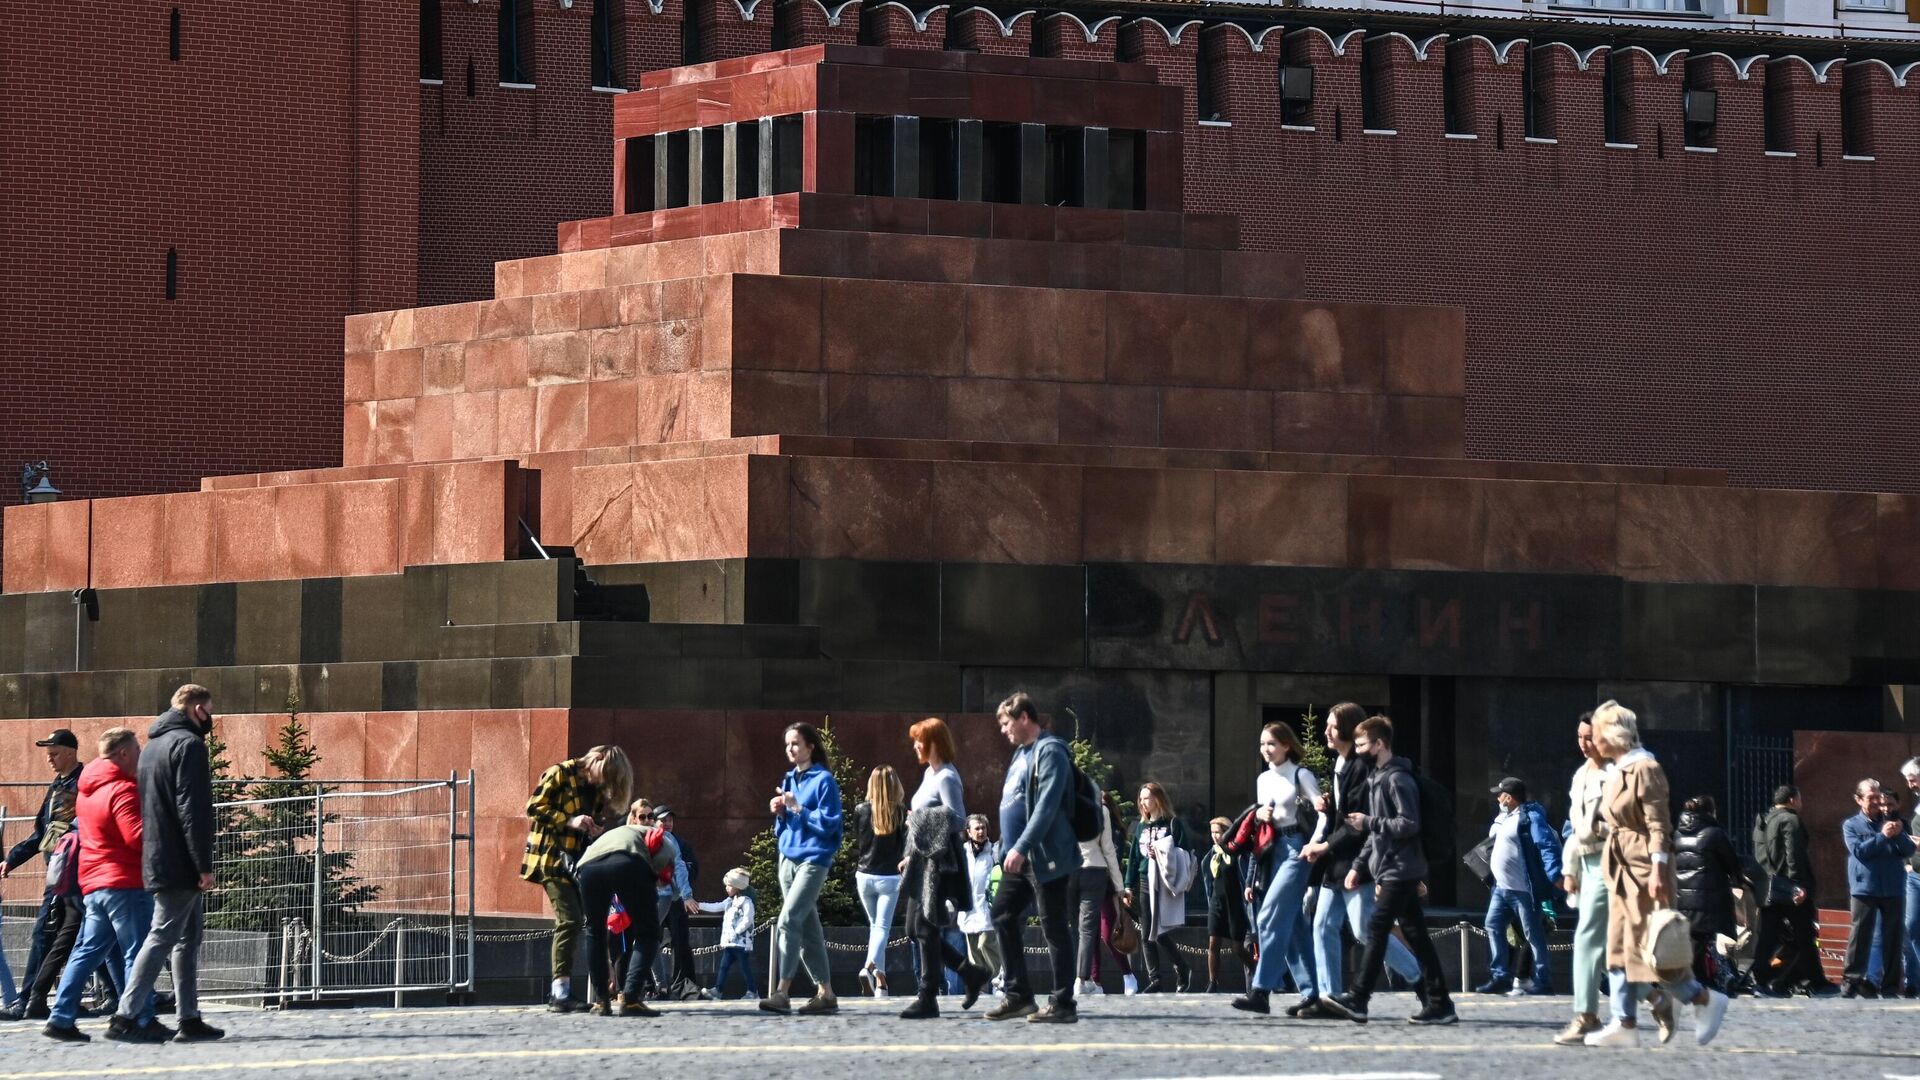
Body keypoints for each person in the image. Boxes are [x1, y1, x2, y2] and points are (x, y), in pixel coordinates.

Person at [1581, 701, 1729, 1048]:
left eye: (1598, 733)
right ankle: (1624, 1022)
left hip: (1645, 870)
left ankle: (1702, 998)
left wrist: (1661, 868)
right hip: (1619, 869)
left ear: (1614, 734)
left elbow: (1658, 824)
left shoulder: (1645, 768)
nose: (1593, 740)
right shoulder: (1618, 770)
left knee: (1654, 950)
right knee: (1616, 948)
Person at [1318, 715, 1455, 1025]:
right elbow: (1376, 833)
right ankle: (1440, 1002)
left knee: (1376, 927)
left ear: (1379, 744)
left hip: (1401, 868)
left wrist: (1369, 823)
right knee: (1416, 935)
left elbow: (1408, 823)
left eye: (1363, 744)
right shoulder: (1379, 777)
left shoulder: (1396, 779)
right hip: (1391, 866)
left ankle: (1359, 998)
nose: (1359, 750)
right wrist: (1358, 865)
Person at [112, 684, 224, 1043]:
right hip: (180, 861)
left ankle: (188, 1018)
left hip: (159, 855)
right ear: (196, 710)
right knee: (163, 936)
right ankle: (125, 1016)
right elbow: (194, 809)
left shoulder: (153, 747)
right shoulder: (189, 745)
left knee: (187, 938)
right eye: (209, 710)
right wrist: (203, 864)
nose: (211, 718)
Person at [1301, 703, 1419, 1016]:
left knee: (1365, 930)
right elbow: (1344, 816)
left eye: (1332, 726)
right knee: (1322, 925)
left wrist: (1325, 846)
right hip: (1336, 861)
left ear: (1351, 731)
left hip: (1355, 860)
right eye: (1325, 725)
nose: (1326, 731)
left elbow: (1359, 822)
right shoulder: (1340, 765)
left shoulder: (1360, 767)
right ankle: (1329, 996)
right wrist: (1329, 811)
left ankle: (1419, 977)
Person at [42, 729, 148, 1042]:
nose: (140, 758)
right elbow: (137, 836)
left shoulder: (86, 789)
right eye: (137, 752)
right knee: (136, 952)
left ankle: (60, 1018)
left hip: (93, 882)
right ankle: (139, 1018)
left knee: (86, 951)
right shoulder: (123, 788)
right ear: (125, 754)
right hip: (124, 881)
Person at [986, 691, 1081, 1023]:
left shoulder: (1050, 751)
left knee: (1053, 926)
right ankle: (1018, 995)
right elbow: (1014, 802)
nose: (1003, 730)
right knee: (1001, 913)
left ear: (1024, 717)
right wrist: (1003, 847)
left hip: (1044, 856)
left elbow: (1047, 806)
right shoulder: (1020, 754)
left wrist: (1021, 846)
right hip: (1018, 858)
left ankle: (1063, 1003)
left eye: (1005, 723)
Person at [520, 744, 633, 1012]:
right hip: (550, 858)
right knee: (570, 919)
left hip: (577, 862)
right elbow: (534, 807)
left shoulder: (594, 790)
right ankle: (559, 993)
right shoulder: (560, 773)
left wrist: (593, 827)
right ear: (596, 761)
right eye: (603, 775)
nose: (602, 783)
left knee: (582, 920)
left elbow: (587, 823)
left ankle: (567, 992)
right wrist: (570, 821)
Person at [1228, 722, 1321, 1016]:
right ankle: (1312, 993)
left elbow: (1323, 814)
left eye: (1271, 743)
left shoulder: (1300, 774)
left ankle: (1261, 990)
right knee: (1294, 927)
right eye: (1262, 744)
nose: (1265, 750)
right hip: (1273, 850)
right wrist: (1258, 814)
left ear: (1286, 745)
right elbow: (1261, 820)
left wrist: (1315, 844)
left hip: (1297, 848)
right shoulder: (1263, 779)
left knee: (1268, 916)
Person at [1, 728, 84, 1022]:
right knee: (81, 936)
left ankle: (27, 1001)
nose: (49, 759)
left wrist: (15, 857)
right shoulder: (61, 782)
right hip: (63, 870)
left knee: (47, 935)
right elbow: (43, 830)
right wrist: (14, 857)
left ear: (71, 753)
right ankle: (97, 995)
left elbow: (54, 832)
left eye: (55, 753)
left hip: (69, 872)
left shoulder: (76, 783)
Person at [762, 722, 843, 1016]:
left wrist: (797, 808)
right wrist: (781, 812)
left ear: (810, 746)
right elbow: (784, 826)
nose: (790, 749)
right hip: (788, 858)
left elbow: (830, 824)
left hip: (814, 859)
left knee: (788, 920)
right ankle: (826, 993)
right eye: (787, 745)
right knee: (808, 926)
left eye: (795, 743)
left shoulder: (824, 781)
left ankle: (782, 992)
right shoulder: (789, 779)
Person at [573, 799, 675, 1017]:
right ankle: (630, 1000)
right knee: (648, 932)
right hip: (628, 864)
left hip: (588, 868)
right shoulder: (660, 838)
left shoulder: (618, 831)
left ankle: (601, 1002)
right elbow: (662, 866)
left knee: (595, 932)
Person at [897, 798, 993, 1019]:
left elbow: (957, 819)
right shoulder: (931, 773)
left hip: (936, 862)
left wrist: (918, 820)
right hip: (921, 859)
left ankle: (928, 996)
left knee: (924, 927)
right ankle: (970, 973)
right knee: (913, 929)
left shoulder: (946, 775)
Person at [1476, 777, 1562, 995]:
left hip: (1523, 889)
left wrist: (1555, 874)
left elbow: (1546, 844)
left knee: (1533, 934)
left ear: (1510, 798)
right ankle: (1500, 976)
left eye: (1501, 794)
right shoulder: (1507, 817)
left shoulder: (1530, 818)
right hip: (1501, 888)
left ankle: (1543, 981)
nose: (1498, 798)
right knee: (1493, 925)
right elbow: (1493, 839)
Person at [1557, 712, 1613, 1044]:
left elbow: (1629, 824)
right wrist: (1570, 869)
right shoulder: (1581, 775)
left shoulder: (1618, 773)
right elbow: (1573, 828)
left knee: (1587, 938)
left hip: (1612, 861)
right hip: (1586, 862)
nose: (1583, 743)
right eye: (1579, 736)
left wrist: (1597, 828)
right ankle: (1661, 997)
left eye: (1589, 736)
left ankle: (1586, 1015)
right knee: (1608, 951)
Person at [1749, 784, 1831, 997]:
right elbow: (1794, 856)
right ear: (1793, 800)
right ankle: (1808, 981)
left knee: (1768, 936)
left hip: (1768, 888)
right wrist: (1798, 886)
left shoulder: (1763, 820)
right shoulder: (1790, 820)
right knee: (1804, 935)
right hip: (1789, 890)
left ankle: (1763, 977)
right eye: (1800, 799)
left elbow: (1760, 856)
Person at [1842, 777, 1913, 998]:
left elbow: (1908, 850)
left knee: (1892, 938)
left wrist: (1899, 833)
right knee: (1860, 936)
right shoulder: (1852, 825)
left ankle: (1890, 986)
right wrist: (1883, 837)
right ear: (1859, 799)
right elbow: (1860, 851)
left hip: (1892, 887)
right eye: (1870, 797)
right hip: (1865, 887)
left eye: (1877, 797)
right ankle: (1851, 981)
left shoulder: (1894, 820)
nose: (1876, 802)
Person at [1123, 782, 1193, 994]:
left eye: (1147, 797)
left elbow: (1185, 853)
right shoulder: (1141, 827)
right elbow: (1134, 859)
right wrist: (1128, 886)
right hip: (1145, 881)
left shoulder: (1172, 824)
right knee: (1147, 933)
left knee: (1160, 931)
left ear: (1158, 799)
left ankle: (1181, 967)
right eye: (1141, 798)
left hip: (1164, 881)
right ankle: (1156, 979)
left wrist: (1163, 854)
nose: (1144, 802)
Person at [1673, 796, 1744, 987]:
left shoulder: (1677, 834)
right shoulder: (1714, 833)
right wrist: (1739, 880)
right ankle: (1702, 979)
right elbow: (1732, 862)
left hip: (1684, 897)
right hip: (1708, 897)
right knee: (1705, 937)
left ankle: (1695, 977)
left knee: (1693, 937)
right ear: (1710, 812)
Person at [854, 766, 908, 997]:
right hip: (889, 877)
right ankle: (869, 968)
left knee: (876, 927)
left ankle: (881, 982)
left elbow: (858, 840)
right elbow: (904, 845)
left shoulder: (861, 809)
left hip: (864, 875)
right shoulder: (901, 812)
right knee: (881, 928)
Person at [1073, 788, 1127, 997]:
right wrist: (1119, 885)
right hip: (1093, 869)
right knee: (1087, 929)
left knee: (1073, 928)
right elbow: (1108, 849)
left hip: (1068, 870)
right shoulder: (1100, 809)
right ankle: (1081, 979)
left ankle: (1074, 978)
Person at [650, 806, 700, 998]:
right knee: (649, 940)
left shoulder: (678, 843)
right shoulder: (647, 838)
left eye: (670, 820)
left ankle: (682, 984)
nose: (668, 823)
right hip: (654, 898)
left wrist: (686, 893)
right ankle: (653, 986)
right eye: (663, 820)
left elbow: (686, 866)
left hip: (676, 900)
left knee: (681, 942)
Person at [1201, 816, 1251, 993]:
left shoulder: (1237, 853)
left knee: (1237, 948)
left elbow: (1246, 876)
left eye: (1219, 832)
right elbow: (1209, 880)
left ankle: (1256, 970)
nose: (1215, 836)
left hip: (1235, 903)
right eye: (1213, 832)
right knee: (1213, 943)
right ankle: (1213, 982)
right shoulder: (1211, 856)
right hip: (1217, 902)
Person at [699, 868, 757, 1000]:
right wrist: (699, 905)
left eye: (729, 886)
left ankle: (753, 991)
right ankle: (718, 990)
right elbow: (715, 907)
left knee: (745, 968)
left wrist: (738, 931)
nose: (727, 888)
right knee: (724, 966)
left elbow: (748, 919)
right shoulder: (729, 902)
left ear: (738, 886)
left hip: (741, 943)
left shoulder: (746, 902)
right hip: (730, 942)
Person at [958, 815, 1003, 984]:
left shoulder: (994, 851)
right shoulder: (962, 852)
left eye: (983, 828)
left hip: (988, 909)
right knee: (973, 954)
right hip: (969, 909)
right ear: (968, 832)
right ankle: (980, 988)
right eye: (976, 828)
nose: (981, 832)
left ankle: (998, 980)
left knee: (986, 944)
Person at [1901, 759, 1920, 997]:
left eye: (1912, 778)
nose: (1909, 784)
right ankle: (1914, 981)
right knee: (1912, 925)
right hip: (1915, 876)